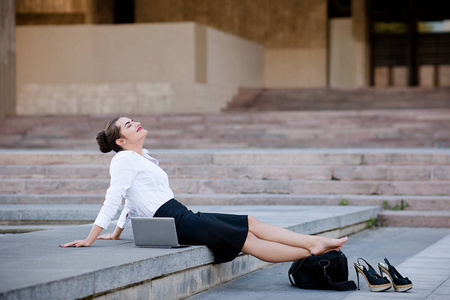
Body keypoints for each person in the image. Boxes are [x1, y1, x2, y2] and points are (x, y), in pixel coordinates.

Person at [61, 117, 348, 264]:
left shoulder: (140, 156)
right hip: (173, 220)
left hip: (179, 214)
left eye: (132, 120)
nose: (135, 123)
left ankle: (312, 243)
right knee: (247, 239)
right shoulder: (123, 159)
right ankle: (313, 249)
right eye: (128, 125)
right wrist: (91, 238)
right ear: (121, 140)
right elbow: (115, 197)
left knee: (250, 223)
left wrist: (119, 232)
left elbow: (132, 202)